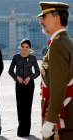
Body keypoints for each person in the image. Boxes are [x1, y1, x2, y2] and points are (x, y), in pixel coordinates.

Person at [37, 2, 73, 140]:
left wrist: (51, 120)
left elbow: (58, 86)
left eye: (44, 17)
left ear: (56, 18)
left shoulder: (58, 44)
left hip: (59, 121)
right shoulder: (66, 41)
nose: (41, 22)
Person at [8, 39, 40, 137]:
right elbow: (10, 71)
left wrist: (30, 77)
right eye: (23, 47)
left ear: (29, 48)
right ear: (20, 47)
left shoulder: (33, 58)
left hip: (29, 85)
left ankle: (26, 131)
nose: (24, 49)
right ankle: (21, 130)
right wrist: (17, 77)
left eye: (26, 47)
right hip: (19, 84)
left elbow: (38, 72)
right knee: (20, 106)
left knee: (27, 107)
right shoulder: (16, 57)